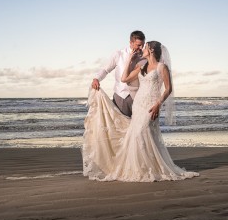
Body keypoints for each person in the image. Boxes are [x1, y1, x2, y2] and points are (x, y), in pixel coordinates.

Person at [83, 41, 199, 182]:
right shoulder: (142, 66)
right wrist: (130, 60)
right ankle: (142, 167)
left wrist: (158, 104)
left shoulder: (162, 67)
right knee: (136, 135)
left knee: (141, 133)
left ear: (150, 50)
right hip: (138, 104)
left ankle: (152, 168)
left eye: (145, 47)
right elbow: (124, 78)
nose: (142, 49)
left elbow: (168, 89)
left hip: (152, 104)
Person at [91, 30, 145, 117]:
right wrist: (96, 78)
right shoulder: (118, 54)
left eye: (143, 45)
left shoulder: (145, 57)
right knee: (120, 127)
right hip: (121, 96)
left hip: (139, 98)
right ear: (131, 42)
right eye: (138, 45)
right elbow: (105, 70)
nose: (141, 47)